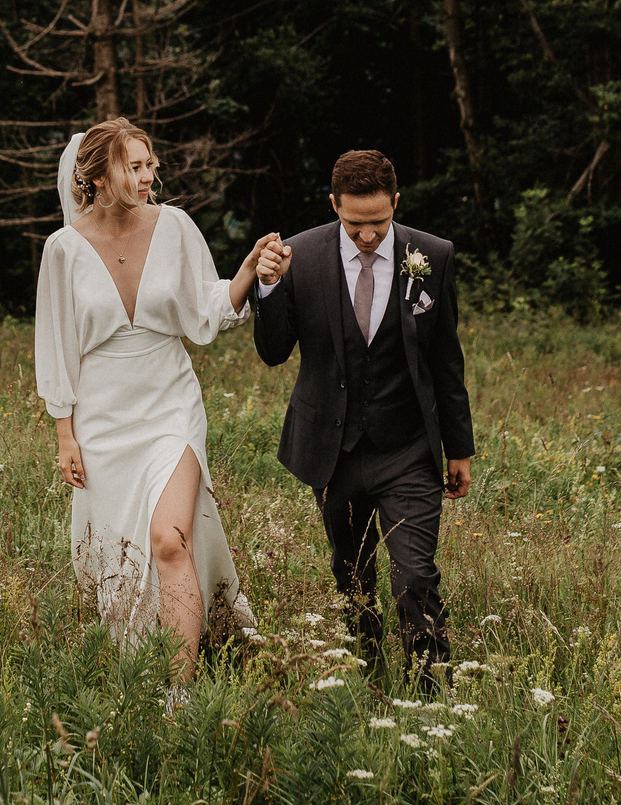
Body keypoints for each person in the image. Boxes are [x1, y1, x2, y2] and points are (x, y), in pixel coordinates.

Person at [32, 117, 279, 673]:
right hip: (102, 418)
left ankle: (179, 692)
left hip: (171, 403)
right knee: (121, 551)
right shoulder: (63, 250)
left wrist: (244, 273)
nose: (148, 178)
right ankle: (145, 654)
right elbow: (56, 342)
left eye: (151, 166)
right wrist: (64, 432)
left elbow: (204, 310)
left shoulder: (176, 227)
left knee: (170, 540)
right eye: (134, 167)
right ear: (95, 175)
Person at [250, 148, 475, 688]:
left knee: (415, 577)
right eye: (354, 224)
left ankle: (432, 694)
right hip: (334, 453)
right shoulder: (298, 255)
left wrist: (459, 447)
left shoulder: (433, 255)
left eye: (379, 222)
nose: (368, 235)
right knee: (352, 579)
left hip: (410, 450)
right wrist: (269, 287)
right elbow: (273, 351)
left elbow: (446, 358)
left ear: (396, 203)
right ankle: (368, 678)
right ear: (334, 206)